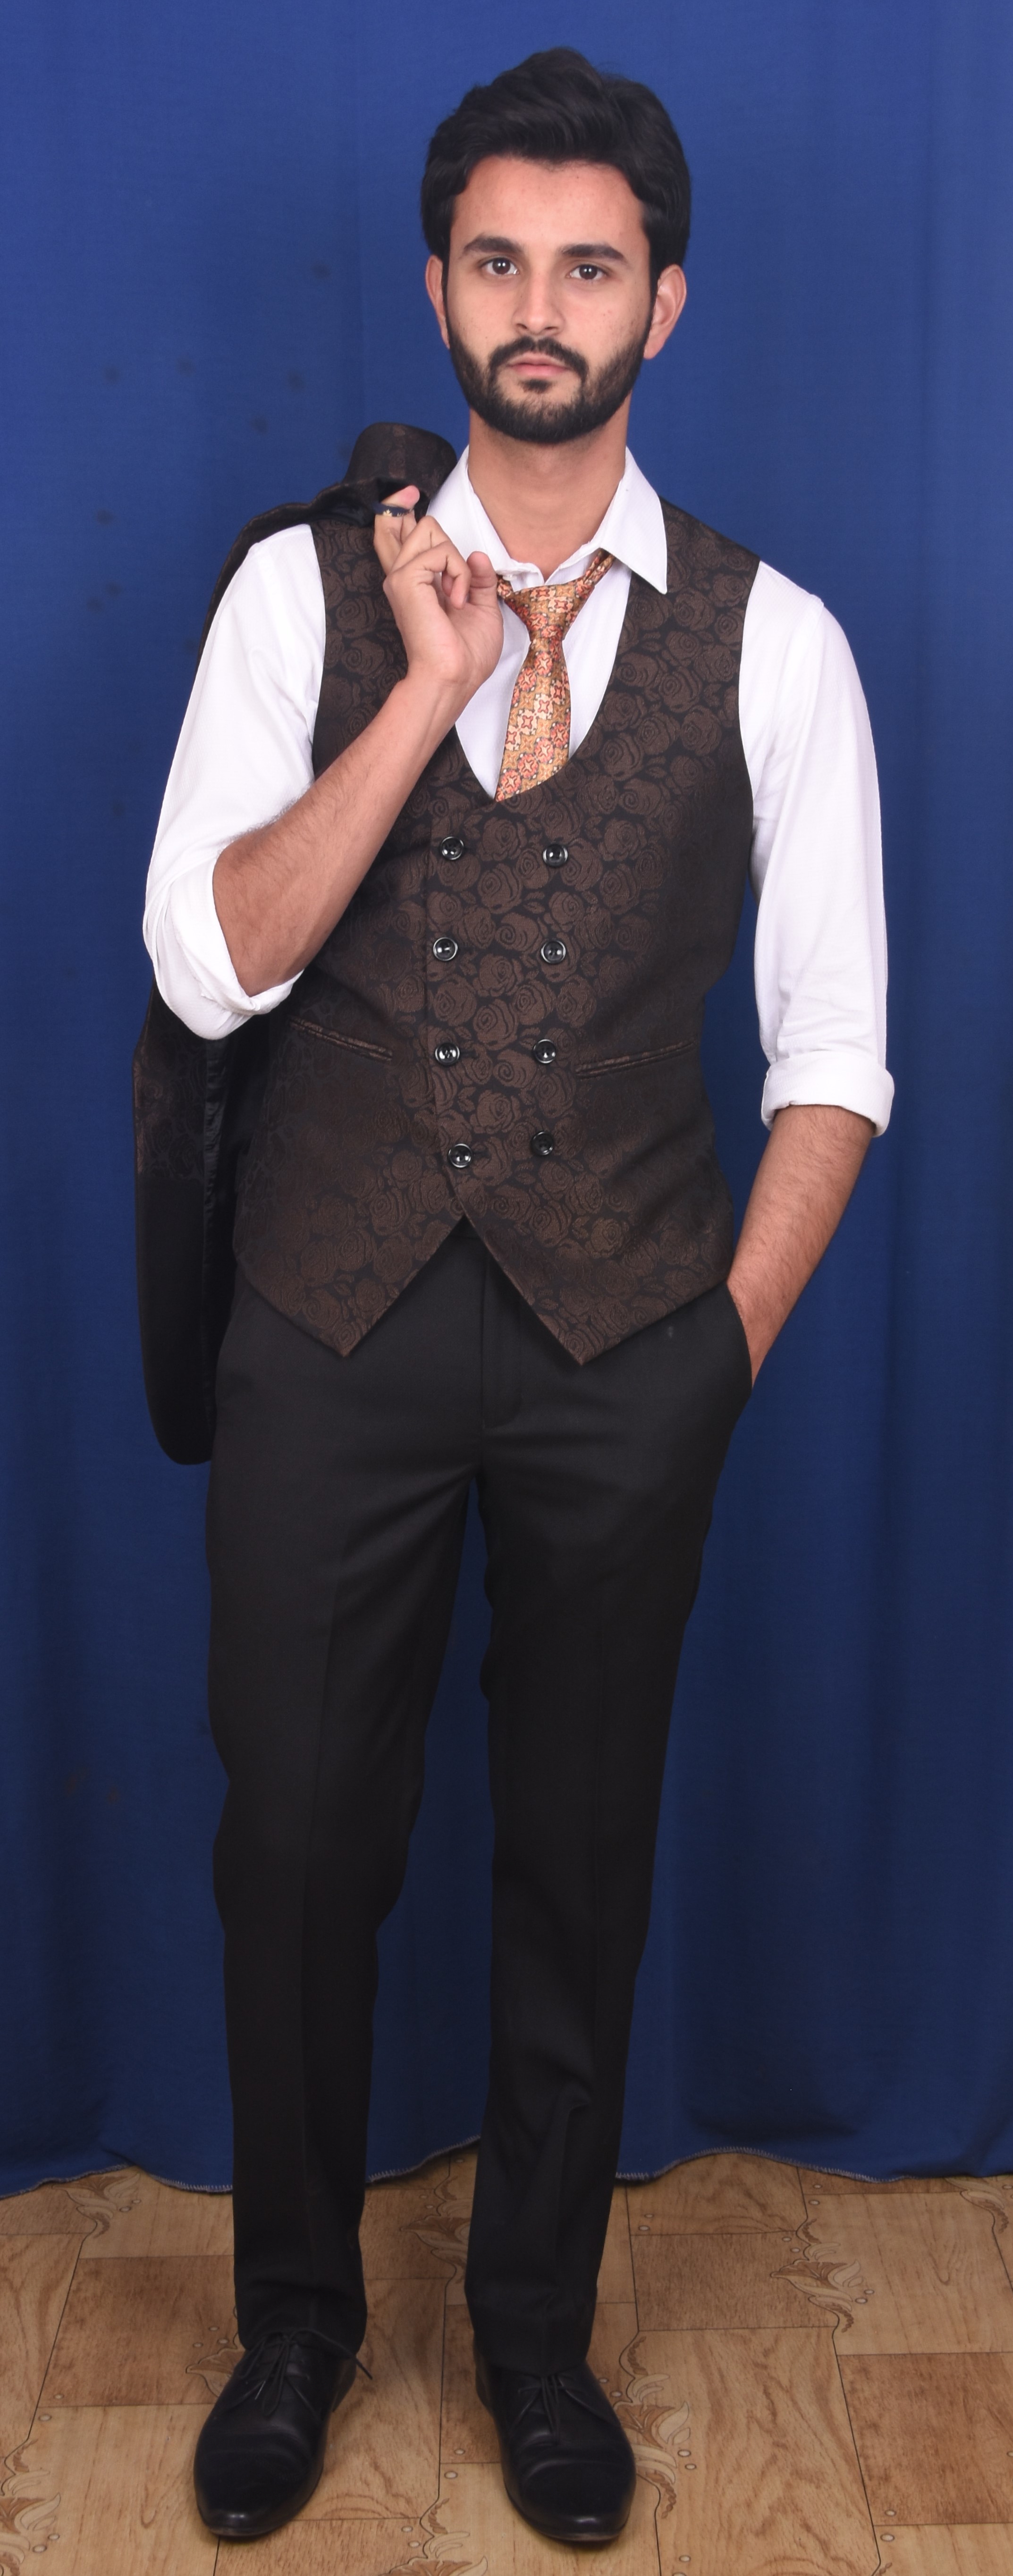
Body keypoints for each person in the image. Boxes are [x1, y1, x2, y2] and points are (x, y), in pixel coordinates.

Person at [143, 46, 892, 2549]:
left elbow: (835, 1053)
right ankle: (290, 2326)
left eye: (590, 264)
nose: (539, 306)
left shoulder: (776, 644)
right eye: (498, 260)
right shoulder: (300, 597)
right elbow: (214, 962)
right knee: (293, 1845)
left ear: (663, 304)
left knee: (579, 1856)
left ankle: (539, 2342)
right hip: (328, 1321)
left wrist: (717, 1354)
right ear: (443, 287)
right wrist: (423, 694)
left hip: (622, 1341)